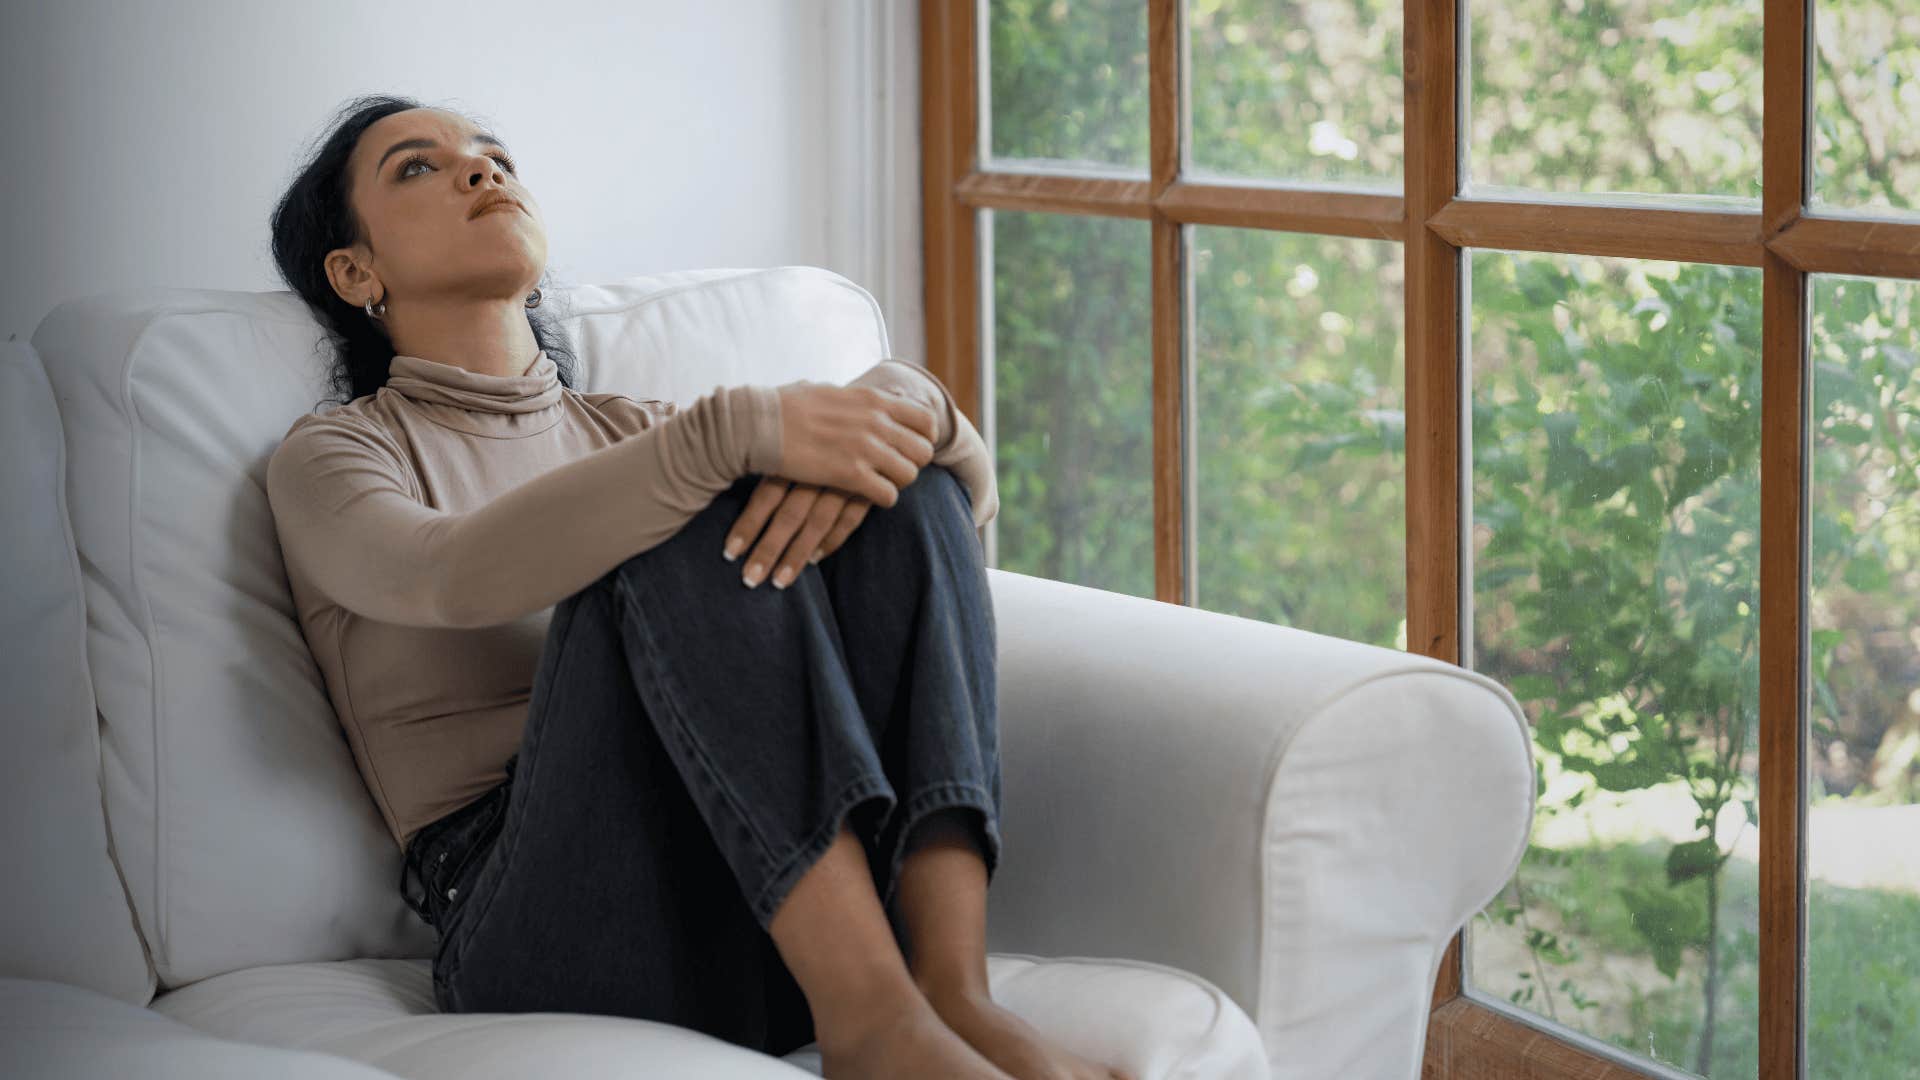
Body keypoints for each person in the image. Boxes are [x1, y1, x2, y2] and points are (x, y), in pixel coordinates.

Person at [262, 94, 1134, 1080]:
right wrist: (719, 440)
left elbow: (947, 543)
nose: (481, 169)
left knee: (897, 482)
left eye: (494, 153)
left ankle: (950, 991)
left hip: (759, 897)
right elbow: (446, 576)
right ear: (354, 271)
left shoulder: (642, 428)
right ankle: (876, 1025)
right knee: (676, 522)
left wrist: (911, 403)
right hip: (539, 925)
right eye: (419, 167)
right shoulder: (336, 457)